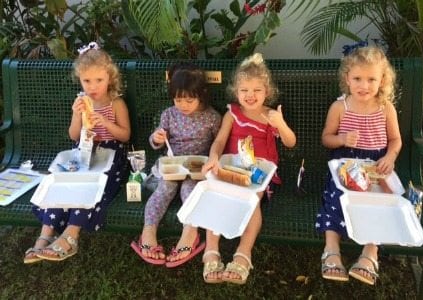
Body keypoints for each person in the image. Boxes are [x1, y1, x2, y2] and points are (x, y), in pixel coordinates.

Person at [23, 42, 131, 263]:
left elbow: (125, 135)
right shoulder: (82, 102)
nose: (93, 86)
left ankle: (71, 236)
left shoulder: (116, 103)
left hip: (111, 157)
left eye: (99, 80)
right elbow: (74, 135)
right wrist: (76, 116)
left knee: (90, 189)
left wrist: (104, 122)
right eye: (87, 80)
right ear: (80, 80)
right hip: (83, 153)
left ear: (110, 78)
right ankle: (45, 235)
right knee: (63, 183)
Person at [201, 53, 296, 284]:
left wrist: (280, 124)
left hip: (259, 174)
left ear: (267, 92)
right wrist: (214, 156)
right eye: (244, 90)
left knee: (251, 201)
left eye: (256, 90)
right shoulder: (232, 114)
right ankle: (211, 249)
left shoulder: (269, 116)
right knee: (216, 196)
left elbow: (290, 142)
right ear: (236, 92)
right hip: (229, 168)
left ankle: (243, 253)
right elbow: (220, 141)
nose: (250, 96)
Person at [315, 46, 402, 285]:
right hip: (345, 165)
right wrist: (341, 139)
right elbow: (326, 138)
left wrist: (390, 157)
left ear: (382, 80)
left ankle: (370, 252)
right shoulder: (340, 107)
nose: (364, 85)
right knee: (334, 197)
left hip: (376, 166)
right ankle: (331, 249)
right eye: (357, 79)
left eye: (371, 79)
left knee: (382, 200)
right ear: (347, 79)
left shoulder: (386, 108)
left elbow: (396, 139)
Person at [130, 62, 222, 267]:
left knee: (189, 190)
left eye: (190, 100)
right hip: (172, 165)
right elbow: (155, 143)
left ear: (201, 95)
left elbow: (220, 144)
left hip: (198, 169)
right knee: (165, 189)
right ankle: (148, 232)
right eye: (178, 99)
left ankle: (190, 233)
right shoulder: (169, 114)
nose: (184, 105)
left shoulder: (212, 117)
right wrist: (157, 138)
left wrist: (214, 160)